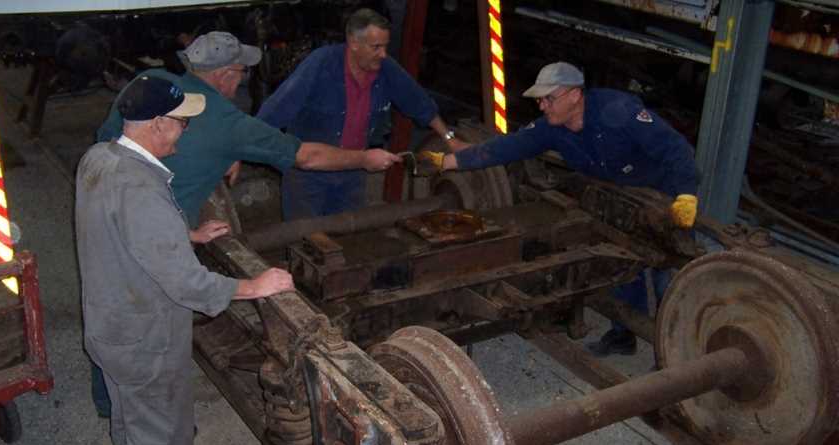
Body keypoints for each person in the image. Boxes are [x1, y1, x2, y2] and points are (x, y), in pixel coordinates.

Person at [92, 30, 401, 418]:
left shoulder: (146, 88)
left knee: (109, 309)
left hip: (106, 217)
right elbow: (308, 156)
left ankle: (107, 401)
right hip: (151, 252)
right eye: (241, 71)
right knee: (146, 324)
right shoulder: (229, 123)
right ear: (225, 75)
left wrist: (188, 225)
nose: (242, 80)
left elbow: (106, 143)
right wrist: (364, 159)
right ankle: (140, 418)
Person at [77, 75, 295, 445]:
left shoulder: (100, 159)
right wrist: (254, 285)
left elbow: (120, 230)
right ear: (156, 124)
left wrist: (184, 237)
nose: (185, 131)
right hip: (144, 342)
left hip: (109, 329)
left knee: (129, 427)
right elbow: (187, 284)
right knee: (162, 444)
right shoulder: (142, 188)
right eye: (180, 123)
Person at [426, 62, 699, 357]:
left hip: (662, 197)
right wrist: (448, 163)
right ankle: (624, 336)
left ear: (573, 95)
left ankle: (676, 354)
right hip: (617, 198)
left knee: (668, 277)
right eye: (540, 100)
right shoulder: (552, 129)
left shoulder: (619, 112)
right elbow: (505, 148)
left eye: (548, 98)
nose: (542, 106)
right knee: (623, 268)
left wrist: (686, 195)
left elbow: (675, 149)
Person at [256, 8, 468, 220]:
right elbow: (274, 111)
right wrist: (241, 149)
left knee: (349, 238)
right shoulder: (321, 64)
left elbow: (419, 103)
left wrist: (450, 139)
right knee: (303, 241)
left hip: (353, 173)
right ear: (354, 43)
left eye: (385, 46)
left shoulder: (386, 68)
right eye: (376, 47)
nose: (383, 54)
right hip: (308, 176)